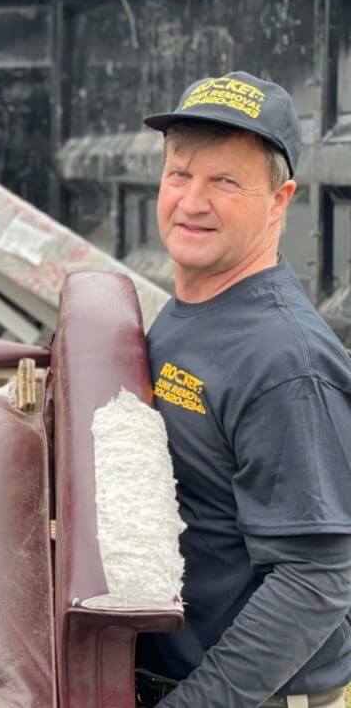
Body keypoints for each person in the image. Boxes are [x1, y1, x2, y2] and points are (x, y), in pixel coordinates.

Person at [134, 71, 351, 708]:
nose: (193, 202)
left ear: (280, 200)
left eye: (225, 182)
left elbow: (316, 579)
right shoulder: (194, 310)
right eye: (181, 175)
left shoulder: (285, 361)